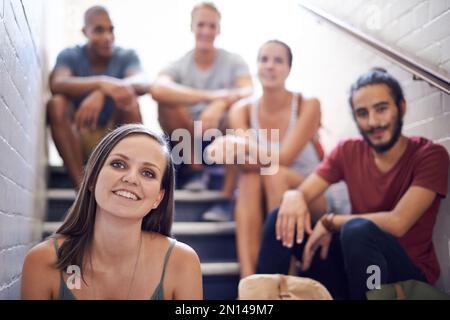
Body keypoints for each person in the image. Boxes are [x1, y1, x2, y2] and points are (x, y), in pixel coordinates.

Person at [256, 68, 449, 299]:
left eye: (381, 109)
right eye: (362, 113)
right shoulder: (348, 150)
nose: (373, 122)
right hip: (357, 272)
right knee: (282, 215)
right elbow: (304, 192)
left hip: (402, 278)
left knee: (357, 230)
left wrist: (331, 223)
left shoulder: (430, 155)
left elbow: (399, 222)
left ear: (401, 107)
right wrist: (292, 196)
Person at [206, 40, 350, 278]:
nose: (270, 66)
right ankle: (249, 283)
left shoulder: (308, 105)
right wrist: (236, 149)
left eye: (278, 61)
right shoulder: (241, 110)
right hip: (265, 190)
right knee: (251, 178)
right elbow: (246, 163)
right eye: (264, 59)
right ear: (256, 66)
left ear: (288, 69)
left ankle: (285, 277)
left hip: (311, 192)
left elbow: (285, 157)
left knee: (273, 172)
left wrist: (241, 144)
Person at [21, 124, 202, 300]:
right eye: (118, 164)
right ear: (92, 178)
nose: (131, 179)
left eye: (148, 173)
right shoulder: (42, 261)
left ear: (158, 198)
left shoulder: (181, 262)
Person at [151, 2, 253, 220]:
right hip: (186, 140)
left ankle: (226, 196)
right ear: (192, 27)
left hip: (222, 136)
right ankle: (196, 171)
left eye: (212, 26)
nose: (206, 31)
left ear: (219, 29)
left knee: (240, 110)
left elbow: (248, 90)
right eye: (201, 25)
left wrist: (221, 105)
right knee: (166, 102)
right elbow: (158, 88)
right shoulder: (179, 63)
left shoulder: (234, 61)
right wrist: (212, 97)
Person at [47, 5, 148, 188]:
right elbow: (57, 83)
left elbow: (144, 83)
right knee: (57, 103)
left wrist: (103, 91)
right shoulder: (70, 55)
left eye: (111, 29)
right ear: (85, 32)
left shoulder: (126, 55)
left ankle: (130, 181)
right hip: (79, 135)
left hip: (113, 137)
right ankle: (82, 188)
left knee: (129, 102)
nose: (107, 37)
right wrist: (101, 83)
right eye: (99, 30)